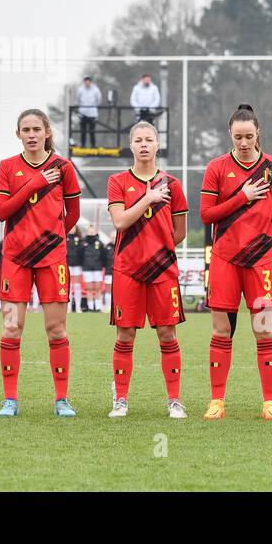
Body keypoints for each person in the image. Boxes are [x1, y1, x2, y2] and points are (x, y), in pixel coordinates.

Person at [199, 103, 272, 421]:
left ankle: (270, 402)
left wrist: (263, 233)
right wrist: (243, 197)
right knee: (221, 331)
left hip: (261, 261)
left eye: (248, 136)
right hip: (225, 260)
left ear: (258, 134)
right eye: (238, 136)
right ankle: (217, 401)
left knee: (264, 331)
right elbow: (207, 215)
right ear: (230, 134)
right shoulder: (216, 168)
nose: (243, 142)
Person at [0, 108, 81, 417]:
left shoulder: (64, 167)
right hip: (15, 260)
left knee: (56, 330)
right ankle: (10, 400)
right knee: (11, 329)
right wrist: (33, 184)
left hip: (51, 259)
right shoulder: (7, 167)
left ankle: (61, 399)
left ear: (46, 133)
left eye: (36, 129)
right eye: (25, 129)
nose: (31, 134)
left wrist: (51, 238)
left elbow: (73, 213)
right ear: (17, 134)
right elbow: (2, 212)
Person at [106, 122, 189, 418]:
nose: (144, 144)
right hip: (127, 269)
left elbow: (179, 232)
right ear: (131, 146)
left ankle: (175, 400)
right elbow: (120, 221)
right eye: (138, 140)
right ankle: (121, 400)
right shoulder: (117, 181)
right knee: (125, 335)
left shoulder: (173, 184)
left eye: (149, 140)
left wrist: (158, 250)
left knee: (167, 334)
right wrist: (148, 198)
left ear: (157, 145)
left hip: (162, 271)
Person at [80, 224, 108, 313]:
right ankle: (91, 308)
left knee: (97, 288)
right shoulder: (83, 242)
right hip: (87, 268)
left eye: (93, 231)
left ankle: (98, 307)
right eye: (90, 231)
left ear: (95, 231)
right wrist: (83, 265)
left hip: (97, 268)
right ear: (87, 231)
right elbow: (80, 255)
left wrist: (102, 265)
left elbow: (104, 256)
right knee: (89, 289)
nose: (91, 232)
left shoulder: (99, 243)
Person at [76, 76, 102, 148]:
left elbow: (99, 100)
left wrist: (93, 107)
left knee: (92, 131)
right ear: (84, 82)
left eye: (88, 81)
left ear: (90, 82)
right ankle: (83, 145)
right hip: (82, 113)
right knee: (83, 131)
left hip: (92, 114)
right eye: (85, 81)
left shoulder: (96, 90)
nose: (87, 82)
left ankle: (93, 146)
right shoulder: (80, 90)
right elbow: (78, 100)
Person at [67, 225, 85, 312]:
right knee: (68, 286)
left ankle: (78, 307)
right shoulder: (64, 238)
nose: (72, 229)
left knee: (77, 286)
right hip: (68, 265)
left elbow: (83, 253)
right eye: (70, 228)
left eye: (73, 227)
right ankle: (69, 307)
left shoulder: (81, 240)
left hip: (77, 265)